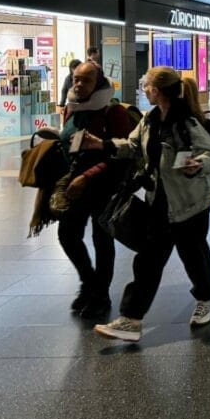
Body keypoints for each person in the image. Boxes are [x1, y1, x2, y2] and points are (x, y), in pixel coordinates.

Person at [90, 69, 210, 342]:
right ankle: (131, 319)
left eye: (145, 85)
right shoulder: (149, 121)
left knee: (194, 257)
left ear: (157, 91)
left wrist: (199, 164)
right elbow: (133, 145)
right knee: (148, 262)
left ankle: (205, 299)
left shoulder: (187, 124)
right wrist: (102, 144)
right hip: (159, 204)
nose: (144, 90)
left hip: (190, 204)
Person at [57, 61, 136, 317]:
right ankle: (88, 283)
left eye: (85, 80)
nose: (78, 84)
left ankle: (101, 294)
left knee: (102, 240)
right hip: (75, 187)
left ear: (99, 83)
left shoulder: (111, 112)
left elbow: (121, 153)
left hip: (104, 186)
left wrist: (87, 176)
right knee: (68, 235)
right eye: (75, 79)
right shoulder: (73, 109)